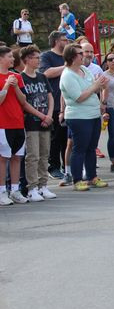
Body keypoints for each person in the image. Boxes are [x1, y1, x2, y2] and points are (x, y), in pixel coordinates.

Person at [59, 44, 108, 191]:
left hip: (93, 114)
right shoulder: (67, 75)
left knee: (91, 148)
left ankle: (92, 177)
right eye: (80, 53)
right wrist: (95, 86)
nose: (84, 55)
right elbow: (79, 97)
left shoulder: (84, 69)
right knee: (79, 148)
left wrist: (100, 85)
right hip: (78, 117)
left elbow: (93, 88)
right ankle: (77, 179)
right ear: (72, 57)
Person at [1, 46, 39, 205]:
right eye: (9, 56)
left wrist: (15, 86)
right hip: (3, 124)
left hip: (18, 122)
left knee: (17, 157)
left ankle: (15, 190)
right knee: (3, 158)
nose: (12, 59)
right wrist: (6, 86)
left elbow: (23, 100)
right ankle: (2, 191)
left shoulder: (16, 76)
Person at [19, 45, 57, 201]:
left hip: (46, 121)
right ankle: (32, 187)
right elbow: (24, 103)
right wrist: (41, 116)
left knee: (44, 155)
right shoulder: (21, 78)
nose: (38, 60)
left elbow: (50, 96)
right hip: (31, 122)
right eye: (36, 58)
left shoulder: (42, 77)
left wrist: (49, 115)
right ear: (27, 59)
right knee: (33, 155)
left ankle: (43, 185)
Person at [39, 31, 69, 179]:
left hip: (69, 104)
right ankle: (53, 167)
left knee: (67, 139)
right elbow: (46, 73)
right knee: (55, 138)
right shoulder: (47, 56)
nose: (67, 42)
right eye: (64, 39)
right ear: (57, 41)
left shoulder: (67, 56)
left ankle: (67, 167)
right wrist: (67, 66)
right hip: (55, 103)